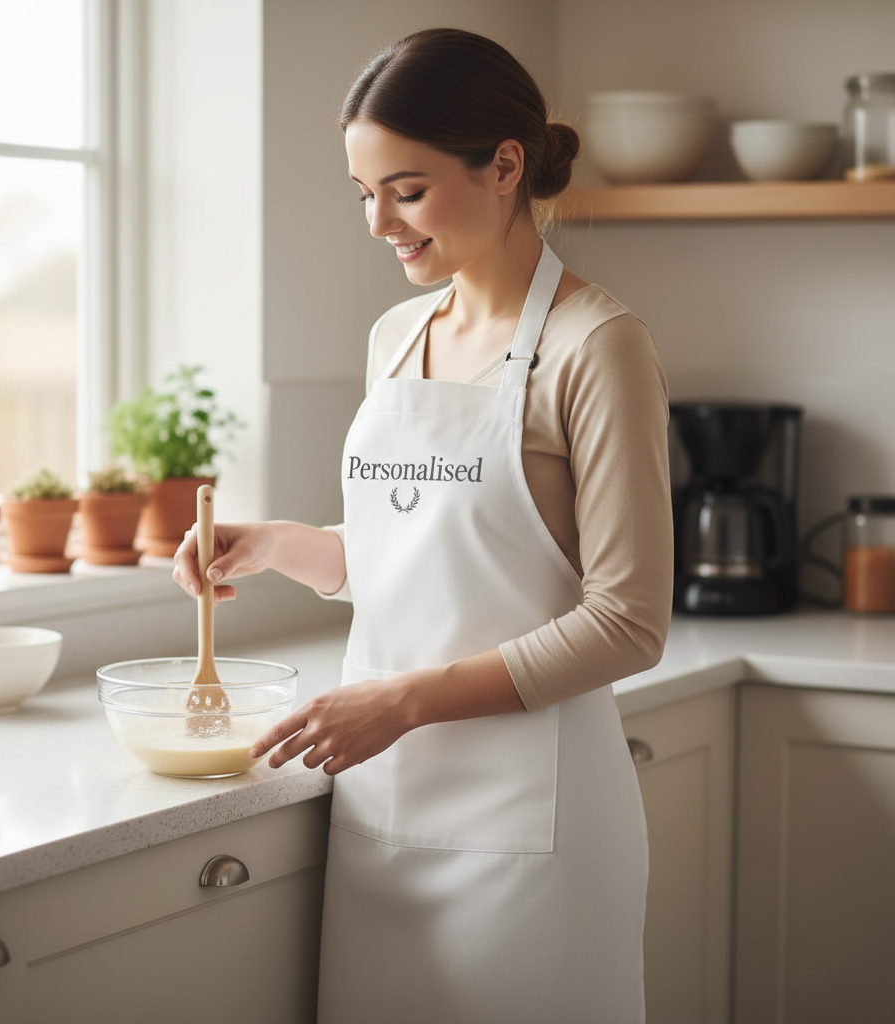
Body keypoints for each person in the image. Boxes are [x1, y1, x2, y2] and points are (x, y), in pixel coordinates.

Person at [173, 26, 673, 1024]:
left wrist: (402, 701)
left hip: (538, 828)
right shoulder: (397, 337)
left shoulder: (595, 345)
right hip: (384, 809)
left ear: (503, 166)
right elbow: (420, 556)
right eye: (363, 193)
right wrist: (273, 543)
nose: (378, 223)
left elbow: (628, 621)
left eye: (405, 190)